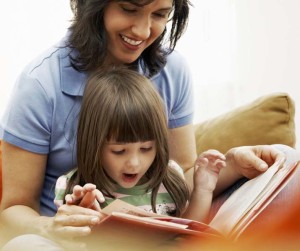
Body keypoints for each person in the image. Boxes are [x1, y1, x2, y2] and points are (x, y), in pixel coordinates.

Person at [0, 0, 298, 250]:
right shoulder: (41, 83)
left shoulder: (172, 69)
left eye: (159, 14)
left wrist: (232, 164)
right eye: (130, 8)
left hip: (153, 236)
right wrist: (52, 227)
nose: (144, 31)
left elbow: (182, 177)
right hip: (68, 239)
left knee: (286, 157)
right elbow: (12, 209)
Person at [51, 66, 225, 249]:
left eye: (146, 148)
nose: (134, 163)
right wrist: (83, 215)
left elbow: (189, 232)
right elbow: (68, 242)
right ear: (94, 145)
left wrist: (203, 190)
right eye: (119, 151)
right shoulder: (73, 186)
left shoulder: (170, 177)